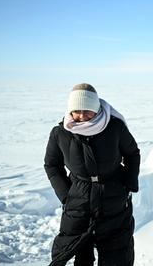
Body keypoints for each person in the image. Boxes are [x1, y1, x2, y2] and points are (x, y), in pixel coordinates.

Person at [44, 83, 140, 266]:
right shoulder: (60, 133)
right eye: (76, 111)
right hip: (79, 199)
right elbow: (52, 164)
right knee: (77, 251)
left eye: (87, 110)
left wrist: (129, 186)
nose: (81, 116)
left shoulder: (114, 127)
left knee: (117, 252)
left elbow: (132, 153)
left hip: (113, 197)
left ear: (96, 108)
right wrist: (66, 195)